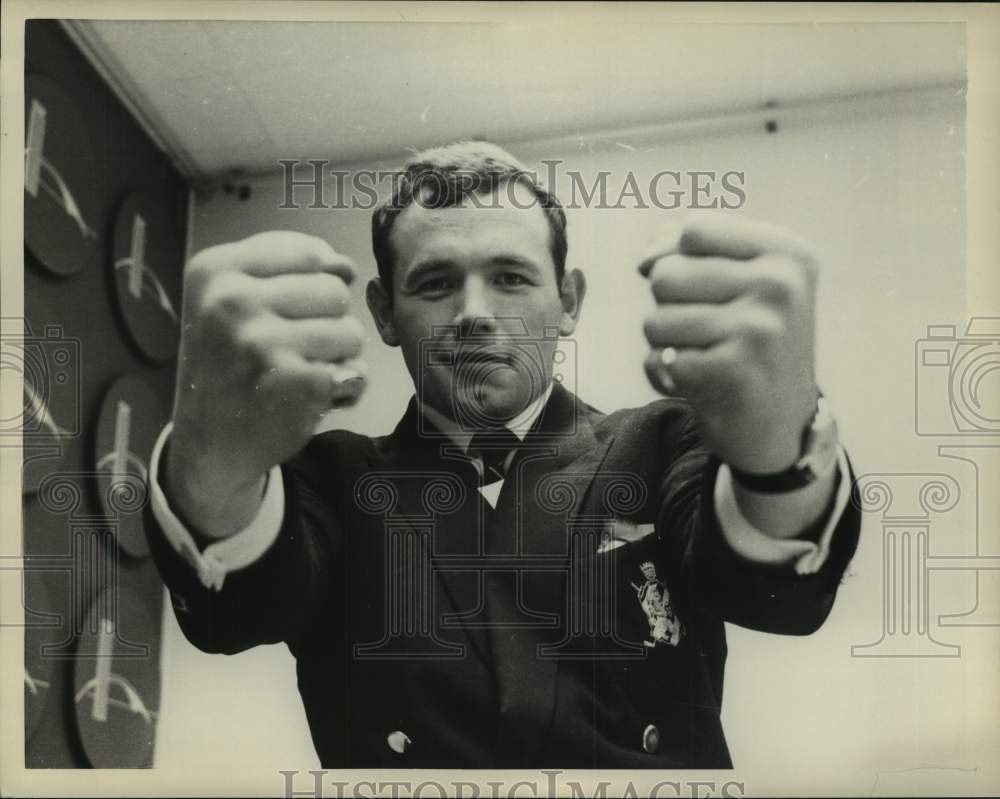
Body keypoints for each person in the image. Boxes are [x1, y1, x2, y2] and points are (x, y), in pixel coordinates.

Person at [144, 141, 860, 768]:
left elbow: (776, 586)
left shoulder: (664, 441)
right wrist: (214, 456)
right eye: (435, 282)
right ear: (385, 313)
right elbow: (237, 602)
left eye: (512, 277)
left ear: (568, 301)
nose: (475, 312)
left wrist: (779, 448)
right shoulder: (329, 479)